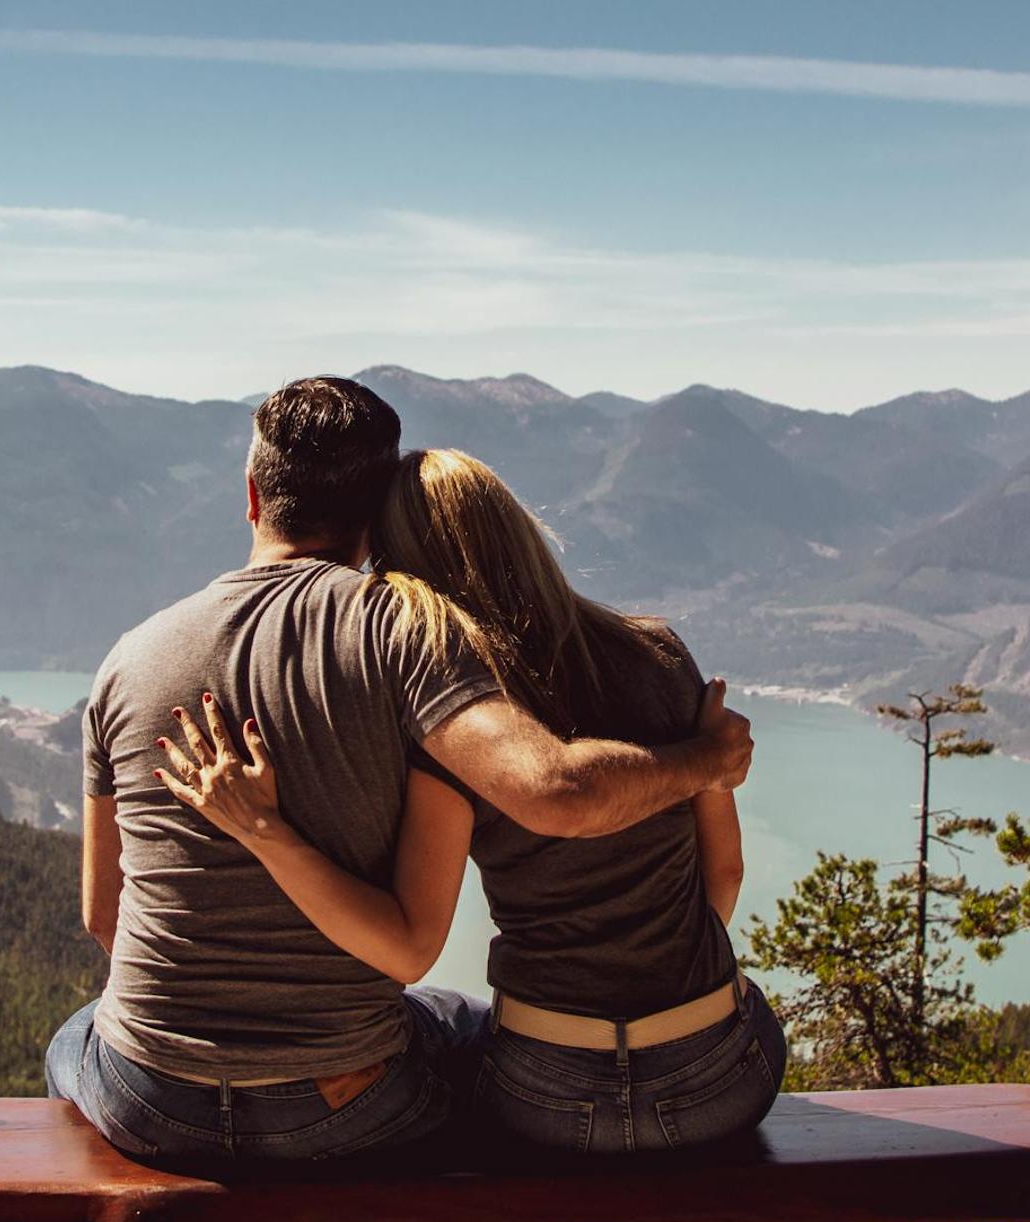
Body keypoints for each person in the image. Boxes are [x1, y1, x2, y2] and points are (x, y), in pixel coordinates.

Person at [48, 379, 754, 1174]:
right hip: (346, 1102)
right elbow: (551, 798)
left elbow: (105, 919)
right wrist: (707, 761)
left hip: (150, 1098)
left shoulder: (125, 660)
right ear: (375, 511)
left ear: (251, 495)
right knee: (455, 1028)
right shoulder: (406, 636)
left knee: (75, 1036)